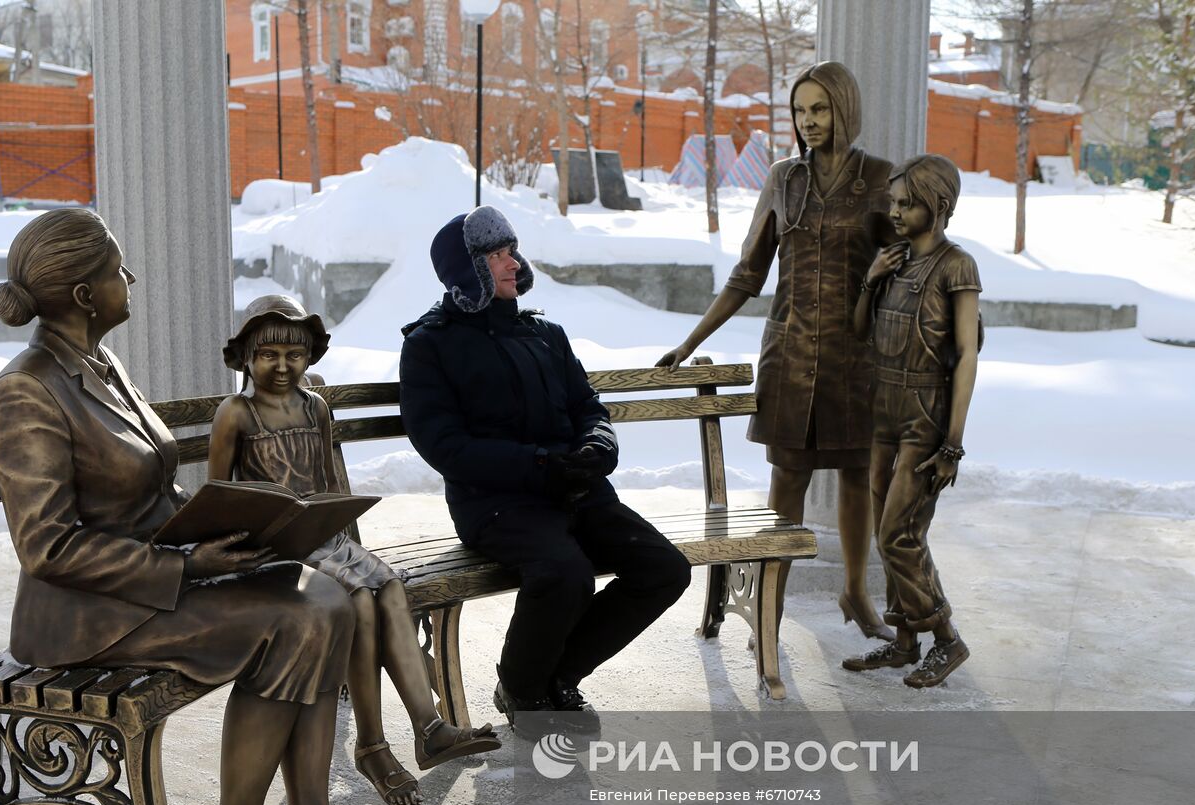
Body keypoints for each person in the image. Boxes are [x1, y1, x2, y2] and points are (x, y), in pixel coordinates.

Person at [0, 209, 408, 805]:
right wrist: (187, 565)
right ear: (86, 295)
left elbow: (146, 489)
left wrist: (238, 533)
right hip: (86, 613)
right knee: (296, 619)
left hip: (152, 576)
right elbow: (47, 545)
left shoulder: (101, 363)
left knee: (327, 596)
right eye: (117, 269)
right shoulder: (27, 386)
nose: (130, 278)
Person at [399, 205, 692, 739]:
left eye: (512, 251)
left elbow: (588, 407)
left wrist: (597, 447)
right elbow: (444, 446)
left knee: (664, 570)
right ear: (469, 269)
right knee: (564, 573)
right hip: (496, 503)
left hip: (576, 490)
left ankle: (554, 674)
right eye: (498, 254)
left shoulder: (545, 333)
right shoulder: (430, 345)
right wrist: (537, 464)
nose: (514, 263)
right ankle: (525, 690)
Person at [208, 295, 500, 805]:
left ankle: (429, 727)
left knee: (387, 586)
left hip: (326, 539)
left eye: (294, 355)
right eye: (268, 355)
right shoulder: (236, 414)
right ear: (246, 356)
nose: (282, 366)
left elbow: (333, 484)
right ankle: (372, 747)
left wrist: (346, 535)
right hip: (277, 551)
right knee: (358, 602)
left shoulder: (315, 407)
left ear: (310, 358)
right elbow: (221, 498)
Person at [656, 61, 896, 642]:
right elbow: (747, 274)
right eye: (800, 110)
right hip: (789, 354)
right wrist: (692, 340)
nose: (808, 121)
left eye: (820, 109)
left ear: (845, 109)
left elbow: (906, 277)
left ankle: (858, 592)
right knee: (787, 479)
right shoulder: (783, 179)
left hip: (856, 358)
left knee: (858, 474)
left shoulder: (883, 179)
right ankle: (771, 604)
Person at [842, 154, 980, 688]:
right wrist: (870, 282)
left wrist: (953, 443)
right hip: (884, 411)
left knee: (899, 534)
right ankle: (904, 642)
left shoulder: (957, 266)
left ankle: (946, 639)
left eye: (908, 203)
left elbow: (967, 355)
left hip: (926, 416)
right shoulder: (893, 260)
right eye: (893, 203)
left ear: (939, 206)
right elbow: (861, 333)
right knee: (890, 529)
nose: (895, 212)